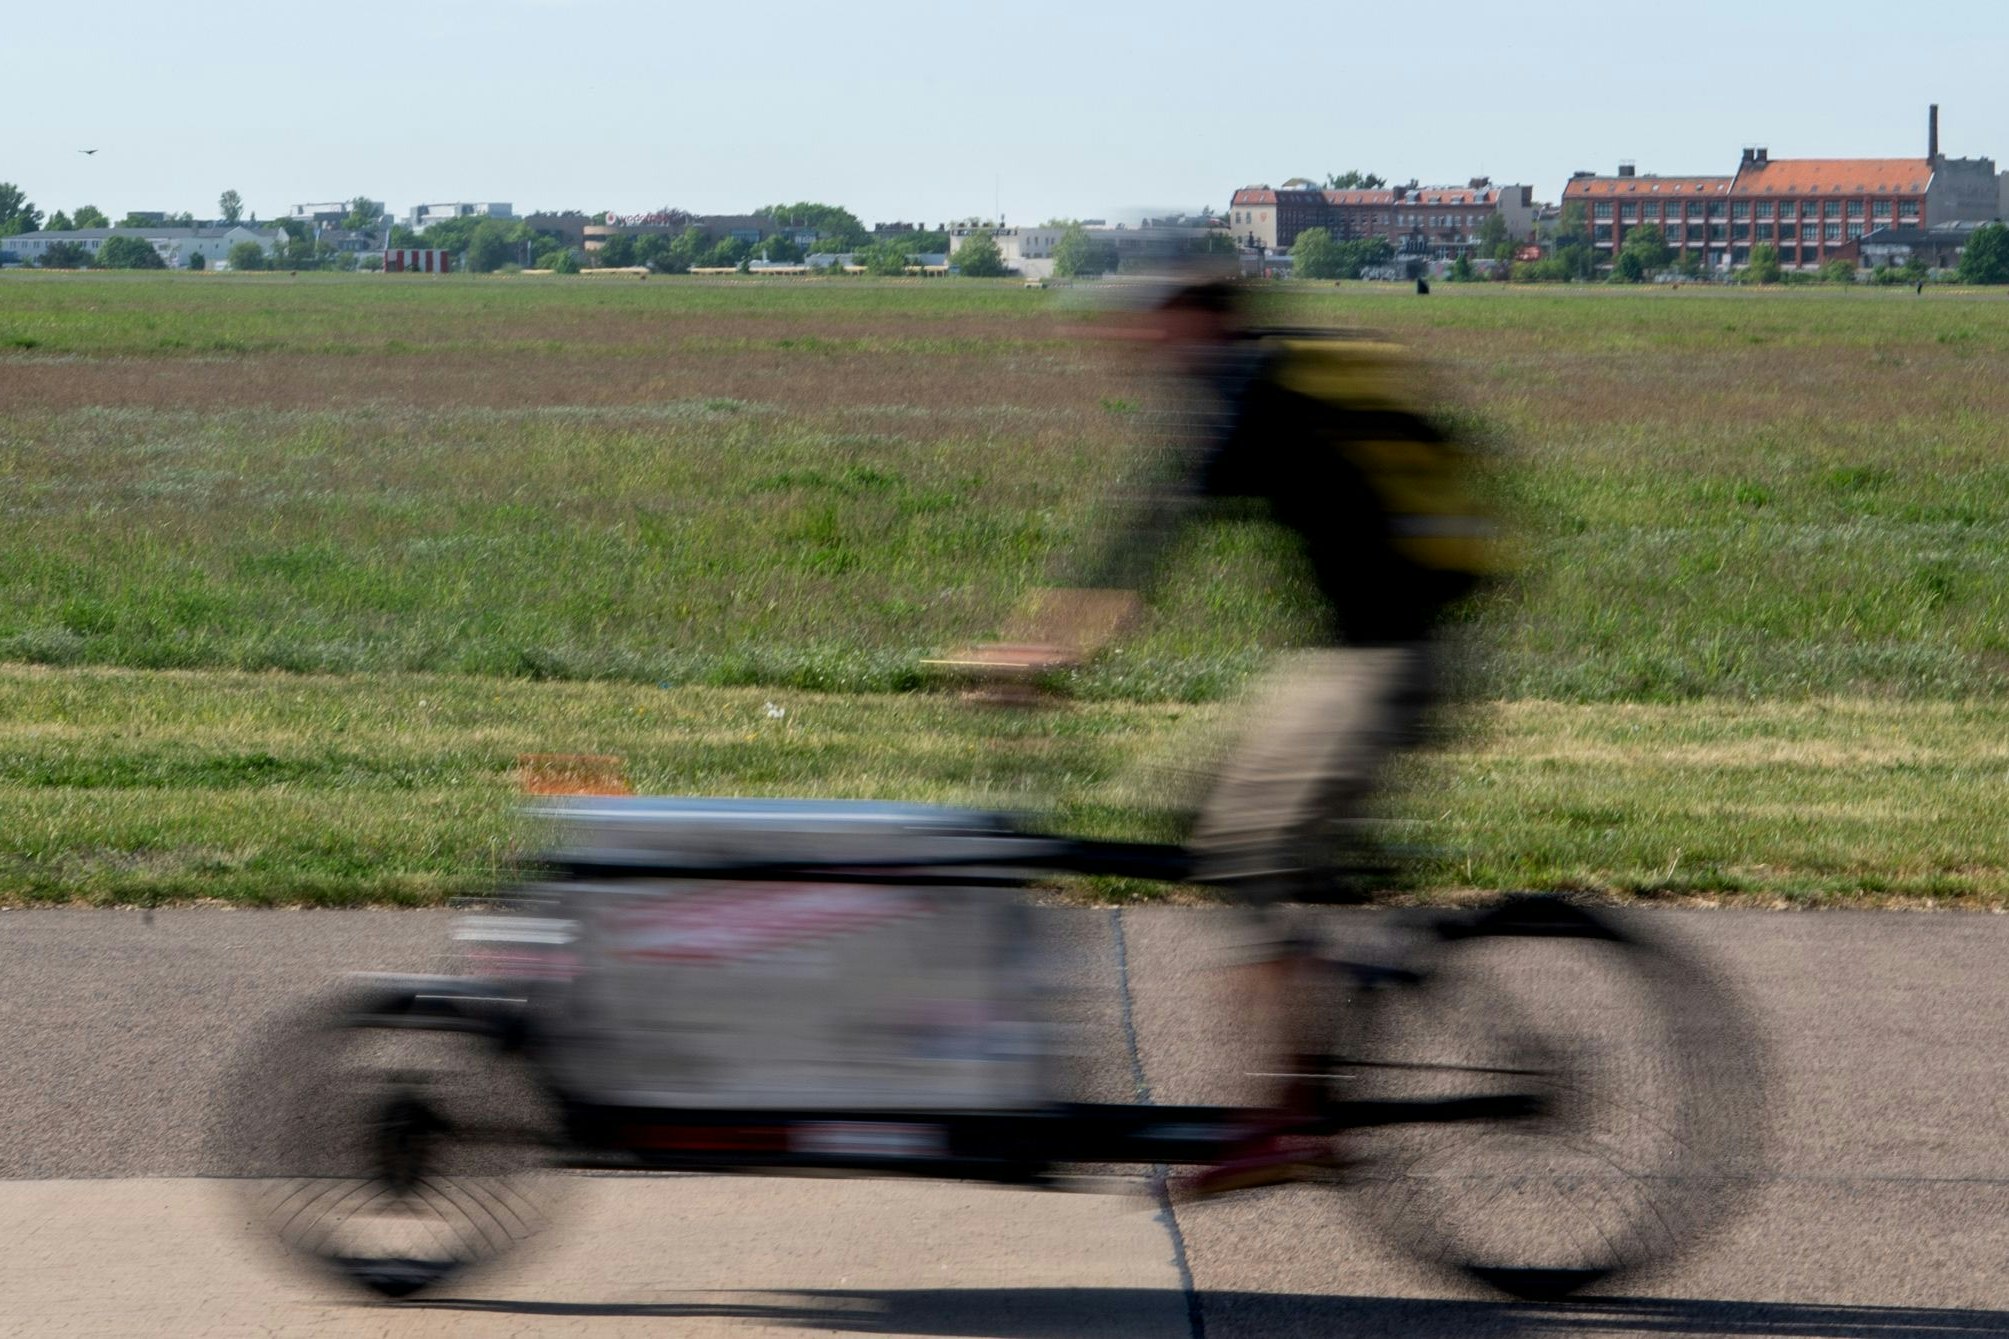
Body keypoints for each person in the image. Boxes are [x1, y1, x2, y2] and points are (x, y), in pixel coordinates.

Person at [967, 278, 1493, 906]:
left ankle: (1309, 981)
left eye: (1155, 321)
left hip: (1394, 658)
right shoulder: (1270, 376)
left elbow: (1148, 535)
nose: (1138, 338)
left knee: (1246, 848)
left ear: (1198, 319)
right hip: (1351, 652)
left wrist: (1045, 647)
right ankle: (1325, 933)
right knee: (1196, 813)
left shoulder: (1258, 397)